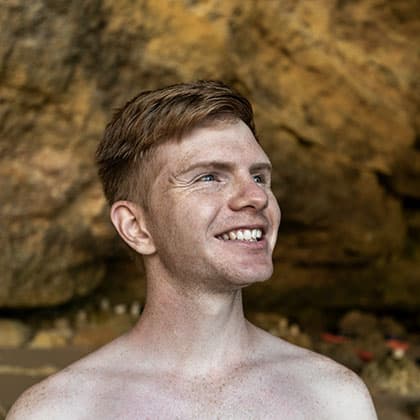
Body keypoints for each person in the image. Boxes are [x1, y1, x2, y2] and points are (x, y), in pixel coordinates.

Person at [7, 80, 377, 419]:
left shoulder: (336, 399)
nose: (256, 196)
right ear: (136, 227)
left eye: (259, 176)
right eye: (209, 177)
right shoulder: (59, 412)